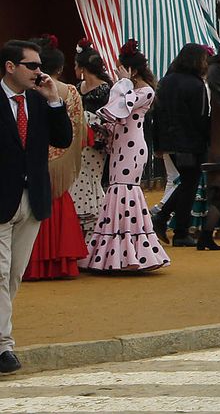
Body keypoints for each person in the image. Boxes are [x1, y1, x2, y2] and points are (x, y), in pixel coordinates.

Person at [1, 39, 74, 373]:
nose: (39, 72)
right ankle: (4, 347)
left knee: (13, 274)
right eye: (32, 66)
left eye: (40, 66)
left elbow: (62, 141)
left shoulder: (40, 99)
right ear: (10, 67)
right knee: (0, 274)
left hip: (33, 200)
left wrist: (55, 101)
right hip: (2, 199)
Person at [80, 41, 169, 273]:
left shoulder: (145, 91)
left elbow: (122, 107)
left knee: (124, 190)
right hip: (120, 145)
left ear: (133, 70)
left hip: (132, 148)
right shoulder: (130, 89)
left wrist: (123, 82)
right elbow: (114, 113)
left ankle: (130, 254)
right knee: (116, 190)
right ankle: (115, 254)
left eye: (121, 68)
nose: (117, 72)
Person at [22, 37, 88, 280]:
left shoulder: (25, 92)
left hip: (32, 162)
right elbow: (79, 132)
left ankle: (33, 265)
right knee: (59, 206)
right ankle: (60, 263)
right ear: (60, 68)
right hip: (63, 160)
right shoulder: (69, 91)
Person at [151, 43, 212, 248]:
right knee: (189, 184)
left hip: (170, 142)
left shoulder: (166, 82)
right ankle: (179, 230)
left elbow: (156, 116)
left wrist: (158, 144)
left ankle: (165, 219)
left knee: (186, 183)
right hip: (191, 143)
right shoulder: (196, 85)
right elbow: (201, 118)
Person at [69, 42, 111, 241]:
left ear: (84, 68)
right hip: (78, 143)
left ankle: (96, 230)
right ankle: (83, 233)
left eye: (76, 66)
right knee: (77, 181)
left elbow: (110, 119)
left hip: (95, 145)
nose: (75, 70)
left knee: (90, 181)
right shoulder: (79, 88)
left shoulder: (106, 89)